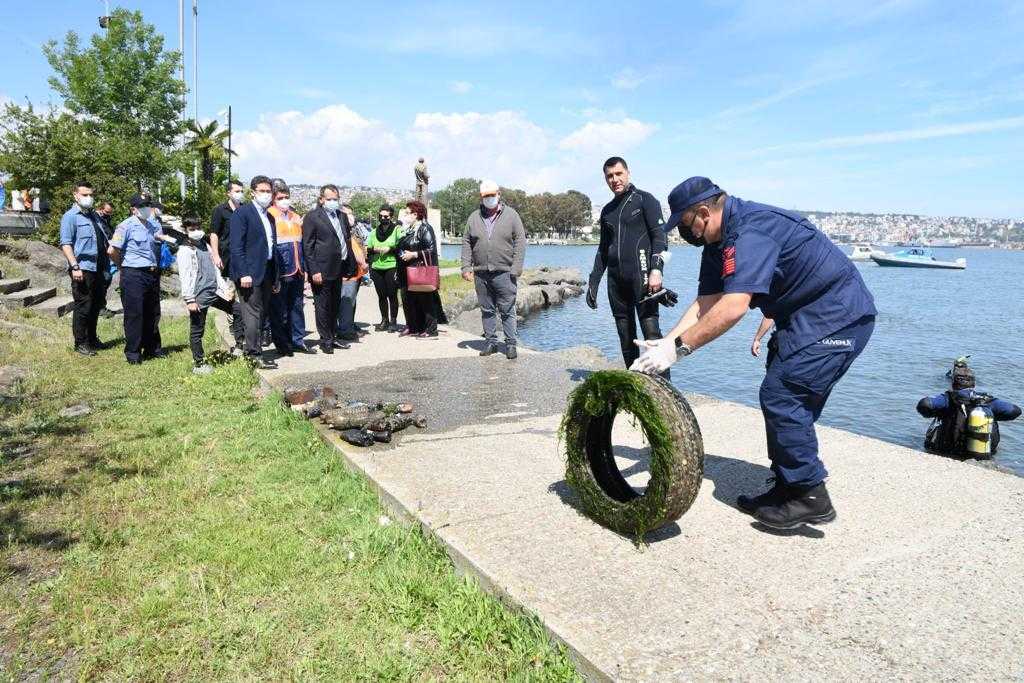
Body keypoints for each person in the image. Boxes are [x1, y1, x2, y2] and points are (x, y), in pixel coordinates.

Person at [632, 177, 876, 530]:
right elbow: (706, 304)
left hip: (838, 314)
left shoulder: (752, 231)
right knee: (783, 391)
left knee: (784, 394)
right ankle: (788, 486)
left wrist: (679, 351)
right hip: (801, 316)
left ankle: (810, 495)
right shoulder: (717, 243)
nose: (685, 234)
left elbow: (733, 307)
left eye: (685, 225)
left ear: (703, 212)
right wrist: (666, 341)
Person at [586, 157, 668, 373]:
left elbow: (660, 239)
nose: (614, 179)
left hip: (642, 279)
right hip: (616, 284)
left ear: (628, 173)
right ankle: (634, 385)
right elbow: (603, 250)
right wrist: (593, 282)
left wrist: (656, 270)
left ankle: (665, 389)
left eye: (618, 174)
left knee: (652, 336)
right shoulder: (607, 211)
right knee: (626, 339)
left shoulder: (646, 200)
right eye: (609, 176)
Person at [460, 179, 526, 359]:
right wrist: (466, 266)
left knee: (507, 309)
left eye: (492, 195)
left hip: (505, 272)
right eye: (485, 196)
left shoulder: (512, 215)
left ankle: (511, 344)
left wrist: (516, 267)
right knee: (487, 310)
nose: (489, 198)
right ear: (481, 198)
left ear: (499, 194)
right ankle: (491, 342)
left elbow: (520, 240)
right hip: (481, 272)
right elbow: (466, 241)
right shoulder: (474, 217)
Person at [229, 175, 281, 368]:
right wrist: (243, 273)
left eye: (269, 192)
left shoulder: (269, 217)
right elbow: (236, 247)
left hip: (266, 271)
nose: (266, 195)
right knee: (252, 314)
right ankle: (253, 355)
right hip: (249, 273)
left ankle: (255, 349)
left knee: (261, 314)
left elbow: (271, 247)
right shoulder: (242, 214)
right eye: (263, 191)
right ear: (253, 192)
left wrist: (275, 277)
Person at [917, 361, 1020, 457]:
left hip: (948, 451)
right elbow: (1015, 411)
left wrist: (934, 413)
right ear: (974, 384)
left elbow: (924, 404)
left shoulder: (948, 399)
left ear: (953, 383)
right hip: (980, 454)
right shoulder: (986, 401)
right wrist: (992, 415)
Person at [110, 194, 167, 364]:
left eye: (148, 205)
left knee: (153, 312)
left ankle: (152, 348)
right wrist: (122, 266)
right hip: (133, 274)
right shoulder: (125, 226)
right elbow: (112, 251)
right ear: (133, 209)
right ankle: (133, 353)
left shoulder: (153, 225)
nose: (146, 209)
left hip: (151, 273)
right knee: (135, 314)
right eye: (142, 206)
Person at [176, 216, 234, 375]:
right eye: (191, 229)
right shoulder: (185, 250)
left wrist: (225, 289)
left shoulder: (204, 245)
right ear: (185, 231)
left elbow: (215, 271)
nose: (196, 232)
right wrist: (189, 299)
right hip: (198, 295)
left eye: (197, 228)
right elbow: (185, 276)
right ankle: (199, 363)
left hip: (214, 291)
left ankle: (240, 345)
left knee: (237, 309)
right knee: (197, 330)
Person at [302, 184, 355, 354]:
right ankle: (325, 340)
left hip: (339, 267)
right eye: (329, 199)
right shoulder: (313, 217)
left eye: (335, 199)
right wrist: (313, 270)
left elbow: (346, 240)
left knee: (334, 304)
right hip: (321, 269)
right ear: (322, 199)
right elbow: (308, 246)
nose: (333, 202)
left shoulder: (342, 216)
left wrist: (350, 264)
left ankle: (333, 337)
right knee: (322, 305)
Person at [58, 181, 109, 355]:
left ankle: (92, 339)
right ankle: (80, 343)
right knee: (83, 306)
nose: (89, 198)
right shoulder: (70, 216)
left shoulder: (94, 216)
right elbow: (66, 244)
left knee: (96, 305)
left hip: (99, 267)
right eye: (85, 195)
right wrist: (75, 266)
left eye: (91, 195)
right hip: (83, 268)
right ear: (76, 195)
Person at [267, 182, 310, 354]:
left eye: (286, 197)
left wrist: (305, 268)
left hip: (298, 268)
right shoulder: (270, 215)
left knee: (297, 306)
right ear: (273, 199)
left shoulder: (295, 216)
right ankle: (282, 344)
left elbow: (301, 244)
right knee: (280, 309)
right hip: (282, 270)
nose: (284, 200)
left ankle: (298, 340)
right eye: (280, 198)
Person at [397, 200, 447, 338]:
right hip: (408, 270)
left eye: (408, 213)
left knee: (425, 299)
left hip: (420, 270)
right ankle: (414, 327)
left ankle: (431, 329)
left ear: (416, 214)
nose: (405, 216)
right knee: (410, 300)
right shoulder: (409, 229)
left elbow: (431, 249)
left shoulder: (425, 228)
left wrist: (414, 254)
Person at [209, 179, 247, 353]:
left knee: (245, 297)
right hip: (226, 259)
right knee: (230, 297)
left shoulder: (246, 209)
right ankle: (236, 332)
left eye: (241, 190)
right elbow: (214, 234)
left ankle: (244, 333)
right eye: (236, 190)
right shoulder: (220, 210)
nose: (240, 193)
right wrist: (216, 255)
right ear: (229, 193)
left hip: (244, 259)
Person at [366, 204, 403, 331]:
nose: (383, 218)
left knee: (392, 295)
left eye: (386, 216)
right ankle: (384, 320)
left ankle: (393, 320)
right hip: (377, 267)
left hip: (391, 266)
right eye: (381, 216)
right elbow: (368, 248)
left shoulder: (397, 230)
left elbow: (402, 245)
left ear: (391, 217)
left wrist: (390, 248)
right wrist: (374, 250)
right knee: (381, 295)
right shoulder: (373, 232)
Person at [337, 203, 369, 341]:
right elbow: (354, 251)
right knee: (346, 302)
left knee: (351, 302)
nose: (350, 216)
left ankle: (348, 325)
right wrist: (363, 263)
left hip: (356, 273)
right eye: (346, 213)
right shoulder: (341, 230)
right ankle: (345, 329)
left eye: (351, 213)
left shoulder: (354, 230)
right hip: (347, 274)